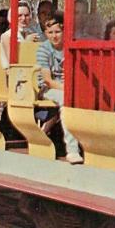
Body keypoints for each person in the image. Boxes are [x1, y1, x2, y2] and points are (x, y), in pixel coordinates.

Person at [36, 12, 83, 164]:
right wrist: (67, 89)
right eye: (50, 33)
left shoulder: (70, 47)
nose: (54, 36)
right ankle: (72, 150)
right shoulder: (44, 49)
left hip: (68, 87)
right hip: (47, 89)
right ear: (45, 33)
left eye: (57, 32)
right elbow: (48, 80)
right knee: (66, 100)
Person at [0, 0, 41, 69]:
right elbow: (12, 62)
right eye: (19, 15)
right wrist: (26, 43)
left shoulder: (32, 34)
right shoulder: (6, 36)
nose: (23, 19)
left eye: (26, 15)